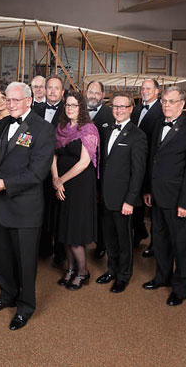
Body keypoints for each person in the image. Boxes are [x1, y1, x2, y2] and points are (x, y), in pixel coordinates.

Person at [0, 82, 55, 331]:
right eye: (7, 100)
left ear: (29, 100)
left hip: (25, 208)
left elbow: (37, 173)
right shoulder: (2, 124)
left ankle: (25, 307)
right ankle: (6, 295)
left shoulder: (43, 129)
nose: (10, 104)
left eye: (15, 100)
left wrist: (4, 183)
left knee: (25, 262)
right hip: (0, 205)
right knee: (2, 258)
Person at [142, 86, 186, 307]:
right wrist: (148, 189)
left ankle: (180, 289)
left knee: (181, 245)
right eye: (164, 101)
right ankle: (162, 277)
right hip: (158, 197)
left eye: (171, 101)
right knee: (160, 241)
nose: (166, 105)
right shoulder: (159, 123)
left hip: (179, 200)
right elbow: (153, 160)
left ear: (182, 103)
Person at [96, 93, 147, 293]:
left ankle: (124, 275)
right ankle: (112, 269)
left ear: (130, 109)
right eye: (115, 106)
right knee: (109, 236)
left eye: (122, 106)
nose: (117, 110)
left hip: (123, 198)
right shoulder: (107, 129)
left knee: (123, 239)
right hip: (106, 195)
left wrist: (130, 200)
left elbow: (138, 172)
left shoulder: (138, 135)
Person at [51, 91, 99, 290]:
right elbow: (53, 155)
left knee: (75, 233)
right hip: (60, 184)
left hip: (79, 186)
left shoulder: (89, 129)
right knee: (64, 229)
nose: (70, 108)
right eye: (67, 105)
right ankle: (70, 269)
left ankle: (82, 271)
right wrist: (55, 179)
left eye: (74, 105)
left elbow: (84, 163)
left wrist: (61, 179)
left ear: (81, 108)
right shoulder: (61, 127)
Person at [33, 74, 66, 265]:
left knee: (60, 213)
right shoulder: (35, 109)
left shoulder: (68, 110)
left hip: (61, 171)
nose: (52, 91)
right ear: (44, 90)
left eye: (56, 88)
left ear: (62, 92)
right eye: (49, 88)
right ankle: (44, 248)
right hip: (39, 170)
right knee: (42, 210)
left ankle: (60, 254)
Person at [131, 79, 163, 256]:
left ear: (157, 91)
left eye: (148, 88)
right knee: (135, 202)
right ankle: (140, 231)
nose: (144, 91)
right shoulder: (135, 110)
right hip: (136, 163)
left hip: (151, 165)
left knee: (152, 208)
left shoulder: (161, 111)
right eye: (142, 88)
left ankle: (154, 242)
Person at [85, 80, 114, 260]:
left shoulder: (110, 115)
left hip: (101, 171)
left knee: (101, 209)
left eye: (97, 93)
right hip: (81, 170)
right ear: (86, 93)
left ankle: (101, 244)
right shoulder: (79, 112)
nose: (93, 96)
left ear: (103, 95)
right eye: (91, 92)